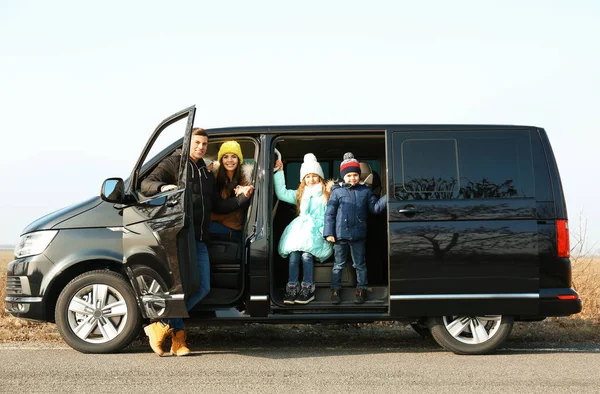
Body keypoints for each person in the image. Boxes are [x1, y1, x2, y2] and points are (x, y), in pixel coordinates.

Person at [140, 128, 247, 356]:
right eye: (197, 142)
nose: (201, 147)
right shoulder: (174, 163)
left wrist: (242, 198)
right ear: (188, 142)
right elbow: (146, 183)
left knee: (202, 287)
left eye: (205, 144)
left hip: (199, 239)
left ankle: (161, 325)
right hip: (180, 237)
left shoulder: (205, 172)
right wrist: (163, 187)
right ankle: (178, 341)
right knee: (183, 288)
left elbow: (217, 205)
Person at [324, 152, 387, 304]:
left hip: (358, 235)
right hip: (340, 236)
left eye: (355, 175)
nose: (352, 178)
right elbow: (330, 214)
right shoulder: (337, 192)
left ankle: (362, 289)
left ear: (359, 176)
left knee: (359, 264)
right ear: (343, 176)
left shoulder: (365, 191)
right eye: (349, 175)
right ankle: (335, 290)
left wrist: (388, 196)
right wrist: (329, 233)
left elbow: (376, 208)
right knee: (338, 264)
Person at [274, 153, 333, 304]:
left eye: (314, 176)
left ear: (320, 177)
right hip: (300, 232)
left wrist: (326, 232)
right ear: (303, 179)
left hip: (318, 231)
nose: (311, 179)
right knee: (294, 255)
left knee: (307, 256)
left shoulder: (326, 194)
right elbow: (282, 193)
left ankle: (308, 287)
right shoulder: (300, 194)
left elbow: (331, 214)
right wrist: (279, 172)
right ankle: (292, 286)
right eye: (307, 176)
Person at [210, 140, 254, 238]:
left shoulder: (246, 180)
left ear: (239, 159)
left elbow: (242, 209)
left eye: (234, 156)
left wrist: (243, 194)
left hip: (233, 226)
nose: (229, 160)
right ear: (221, 160)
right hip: (219, 222)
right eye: (225, 157)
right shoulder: (214, 177)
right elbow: (217, 205)